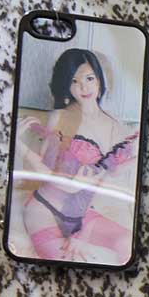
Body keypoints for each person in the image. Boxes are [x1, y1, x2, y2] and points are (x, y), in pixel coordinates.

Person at [14, 47, 139, 263]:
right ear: (67, 86)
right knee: (65, 260)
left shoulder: (114, 126)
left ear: (99, 79)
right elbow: (45, 170)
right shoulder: (60, 116)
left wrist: (81, 234)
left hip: (81, 213)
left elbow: (108, 178)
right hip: (44, 210)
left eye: (89, 78)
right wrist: (18, 144)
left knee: (127, 242)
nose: (83, 87)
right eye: (74, 81)